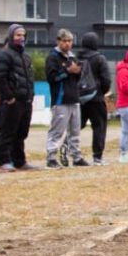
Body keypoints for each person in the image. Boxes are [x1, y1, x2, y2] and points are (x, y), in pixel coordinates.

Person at [0, 24, 36, 172]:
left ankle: (19, 161)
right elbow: (0, 79)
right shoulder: (5, 55)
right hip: (12, 102)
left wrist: (31, 96)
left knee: (21, 133)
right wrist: (9, 97)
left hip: (25, 100)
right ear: (11, 36)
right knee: (7, 132)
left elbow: (29, 78)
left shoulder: (26, 57)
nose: (21, 38)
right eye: (18, 35)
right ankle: (4, 161)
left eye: (23, 35)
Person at [44, 29, 88, 169]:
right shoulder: (53, 57)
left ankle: (76, 156)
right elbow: (52, 78)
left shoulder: (72, 57)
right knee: (57, 131)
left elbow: (77, 79)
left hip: (74, 99)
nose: (67, 44)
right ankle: (51, 157)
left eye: (70, 41)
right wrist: (67, 71)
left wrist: (78, 72)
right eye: (64, 41)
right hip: (60, 100)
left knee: (75, 131)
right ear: (58, 41)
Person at [77, 32, 112, 165]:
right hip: (96, 98)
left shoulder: (77, 57)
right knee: (99, 126)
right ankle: (97, 156)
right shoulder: (99, 58)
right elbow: (106, 80)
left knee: (77, 125)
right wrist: (101, 92)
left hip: (80, 97)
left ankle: (69, 148)